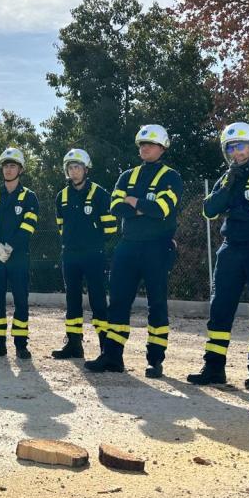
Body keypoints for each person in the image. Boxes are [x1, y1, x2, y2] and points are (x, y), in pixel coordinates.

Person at [187, 122, 249, 390]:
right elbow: (209, 210)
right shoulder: (227, 177)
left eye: (241, 146)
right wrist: (228, 187)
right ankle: (213, 368)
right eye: (231, 147)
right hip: (231, 247)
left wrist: (230, 209)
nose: (236, 152)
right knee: (220, 307)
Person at [85, 125, 183, 376]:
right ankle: (112, 357)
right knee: (117, 302)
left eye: (150, 144)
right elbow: (115, 207)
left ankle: (155, 360)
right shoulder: (127, 175)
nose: (145, 148)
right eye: (142, 144)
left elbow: (162, 209)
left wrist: (134, 202)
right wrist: (144, 207)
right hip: (127, 246)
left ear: (162, 147)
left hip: (157, 248)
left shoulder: (171, 177)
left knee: (156, 304)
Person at [51, 149, 118, 360]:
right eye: (70, 167)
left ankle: (105, 347)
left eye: (77, 167)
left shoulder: (100, 194)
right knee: (72, 300)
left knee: (98, 300)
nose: (74, 171)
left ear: (86, 169)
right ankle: (74, 345)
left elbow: (111, 228)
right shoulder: (61, 197)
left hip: (94, 256)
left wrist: (92, 242)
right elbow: (61, 226)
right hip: (70, 256)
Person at [0, 148, 40, 360]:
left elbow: (28, 226)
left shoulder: (29, 197)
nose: (8, 169)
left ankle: (21, 345)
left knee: (21, 300)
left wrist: (10, 246)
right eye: (5, 165)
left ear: (20, 169)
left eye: (13, 165)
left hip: (19, 257)